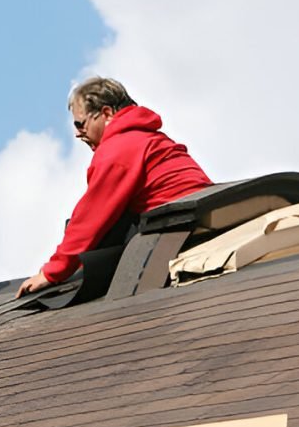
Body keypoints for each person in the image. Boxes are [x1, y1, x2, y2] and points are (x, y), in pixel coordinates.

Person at [16, 77, 212, 298]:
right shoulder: (149, 137)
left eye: (81, 123)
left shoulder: (116, 150)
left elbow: (90, 219)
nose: (78, 133)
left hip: (177, 228)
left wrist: (52, 273)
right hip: (206, 213)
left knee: (92, 230)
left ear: (107, 114)